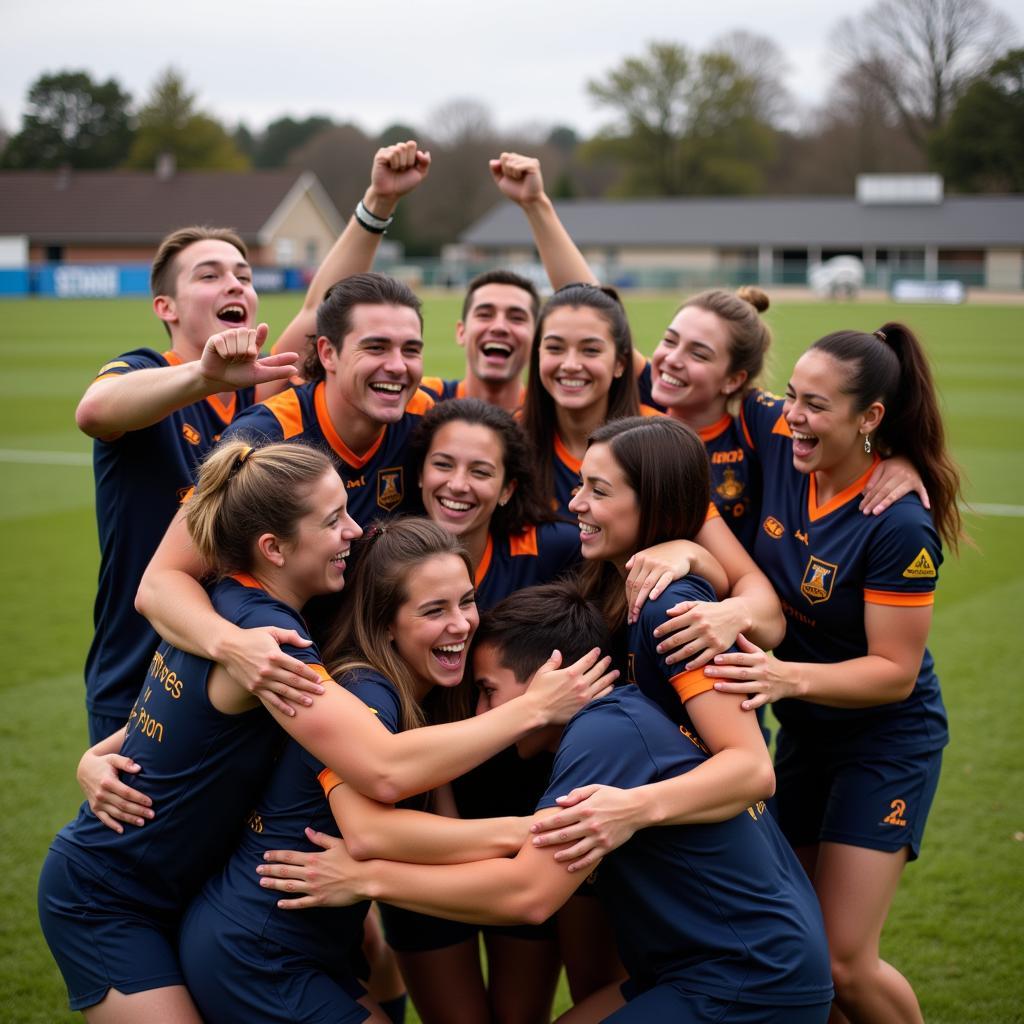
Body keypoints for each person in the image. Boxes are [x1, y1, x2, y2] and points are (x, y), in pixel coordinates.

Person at [258, 581, 834, 1024]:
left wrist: (365, 880)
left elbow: (527, 895)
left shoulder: (601, 736)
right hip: (724, 966)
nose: (484, 715)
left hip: (747, 978)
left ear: (548, 676)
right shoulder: (617, 720)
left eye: (487, 690)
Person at [179, 518, 611, 1024]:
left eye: (466, 601)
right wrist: (533, 832)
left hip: (302, 948)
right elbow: (368, 833)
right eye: (434, 610)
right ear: (386, 622)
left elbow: (444, 836)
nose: (461, 624)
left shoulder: (428, 693)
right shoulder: (365, 691)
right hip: (256, 949)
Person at [74, 140, 429, 744]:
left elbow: (326, 308)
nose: (233, 283)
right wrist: (200, 377)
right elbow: (94, 411)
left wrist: (377, 203)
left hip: (240, 661)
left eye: (243, 273)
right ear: (166, 306)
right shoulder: (145, 372)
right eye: (209, 275)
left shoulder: (256, 391)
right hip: (140, 665)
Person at [39, 439, 361, 1021]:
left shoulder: (223, 597)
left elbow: (174, 720)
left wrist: (95, 755)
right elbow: (381, 763)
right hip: (105, 898)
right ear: (274, 548)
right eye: (335, 520)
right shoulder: (266, 644)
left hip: (175, 888)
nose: (355, 532)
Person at [696, 325, 961, 1024]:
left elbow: (894, 673)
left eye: (816, 405)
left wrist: (785, 679)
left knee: (845, 959)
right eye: (791, 397)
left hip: (885, 746)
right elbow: (666, 372)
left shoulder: (899, 523)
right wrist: (540, 208)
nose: (793, 417)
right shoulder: (782, 444)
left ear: (870, 418)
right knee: (804, 949)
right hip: (807, 737)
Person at [135, 271, 437, 714]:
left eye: (411, 350)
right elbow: (160, 584)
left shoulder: (422, 415)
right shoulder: (266, 436)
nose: (398, 365)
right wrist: (233, 645)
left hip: (351, 672)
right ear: (328, 353)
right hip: (267, 678)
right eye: (376, 347)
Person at [419, 270, 538, 413]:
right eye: (485, 315)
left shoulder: (548, 415)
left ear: (537, 339)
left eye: (517, 318)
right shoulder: (424, 398)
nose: (499, 327)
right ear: (461, 332)